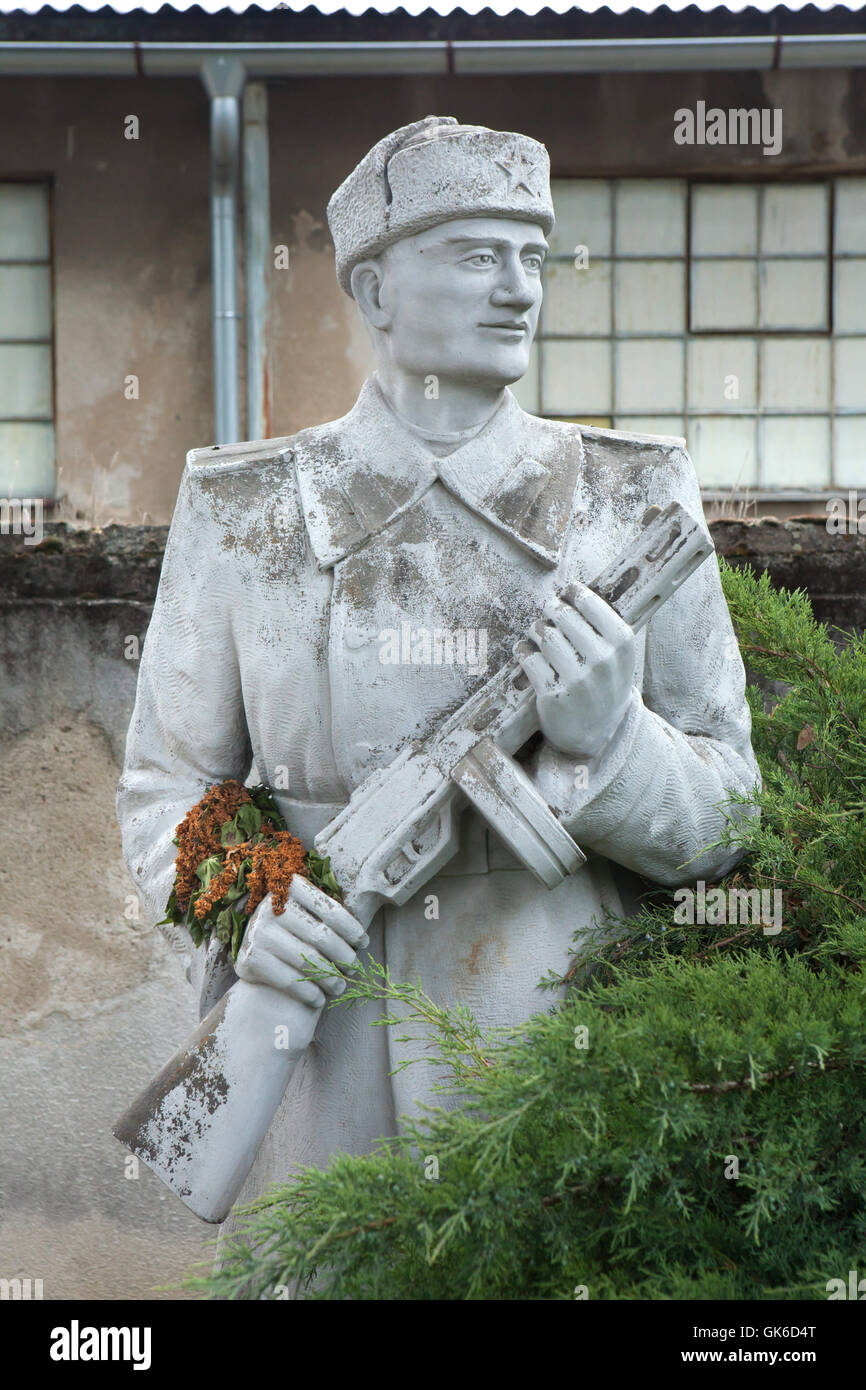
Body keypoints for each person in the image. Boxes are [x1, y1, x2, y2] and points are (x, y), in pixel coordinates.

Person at [116, 116, 760, 1233]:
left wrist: (611, 744)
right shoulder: (246, 511)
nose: (517, 289)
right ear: (371, 288)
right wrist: (251, 908)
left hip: (552, 1058)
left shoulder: (632, 500)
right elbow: (164, 791)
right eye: (474, 254)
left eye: (532, 257)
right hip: (323, 1049)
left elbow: (727, 815)